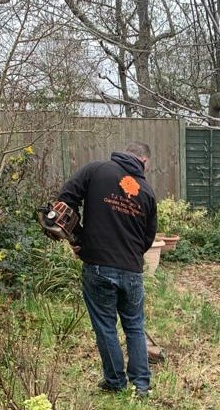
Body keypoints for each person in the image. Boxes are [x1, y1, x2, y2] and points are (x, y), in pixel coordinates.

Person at [57, 142, 157, 396]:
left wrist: (77, 237)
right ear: (143, 162)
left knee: (106, 326)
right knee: (134, 326)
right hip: (132, 269)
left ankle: (115, 382)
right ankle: (141, 385)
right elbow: (148, 238)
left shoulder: (95, 170)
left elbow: (63, 202)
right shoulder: (146, 191)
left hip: (98, 266)